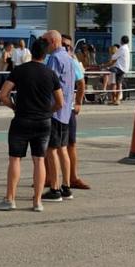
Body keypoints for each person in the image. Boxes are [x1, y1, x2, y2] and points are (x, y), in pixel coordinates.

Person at [0, 37, 63, 213]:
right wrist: (48, 111)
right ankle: (37, 201)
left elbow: (3, 95)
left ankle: (10, 199)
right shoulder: (50, 73)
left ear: (31, 52)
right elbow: (60, 102)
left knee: (15, 158)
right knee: (39, 159)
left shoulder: (20, 70)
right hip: (43, 122)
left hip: (22, 120)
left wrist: (14, 106)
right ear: (45, 53)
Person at [39, 30, 76, 203]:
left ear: (53, 41)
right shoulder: (69, 58)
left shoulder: (54, 59)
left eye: (45, 40)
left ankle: (54, 188)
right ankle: (66, 186)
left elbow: (47, 81)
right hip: (66, 111)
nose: (43, 44)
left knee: (51, 150)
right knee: (63, 149)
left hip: (54, 110)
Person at [59, 34, 90, 190]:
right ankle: (48, 178)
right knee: (48, 147)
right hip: (51, 110)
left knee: (71, 144)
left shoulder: (72, 61)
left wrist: (78, 102)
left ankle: (73, 177)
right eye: (64, 45)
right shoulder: (48, 60)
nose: (67, 49)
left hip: (68, 109)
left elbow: (81, 82)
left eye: (69, 46)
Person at [109, 35, 131, 105]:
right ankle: (116, 99)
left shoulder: (122, 48)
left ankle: (116, 99)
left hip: (119, 68)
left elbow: (114, 57)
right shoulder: (127, 48)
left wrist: (112, 56)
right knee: (119, 84)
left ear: (121, 41)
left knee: (117, 84)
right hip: (124, 68)